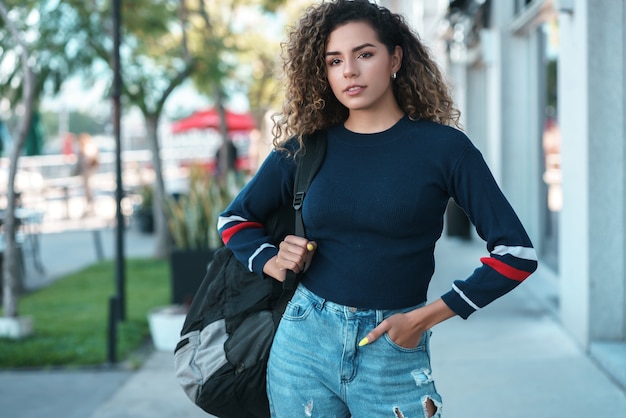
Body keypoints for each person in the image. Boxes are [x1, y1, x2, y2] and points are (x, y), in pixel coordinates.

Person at [218, 1, 538, 416]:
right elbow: (235, 218)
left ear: (395, 58)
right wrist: (271, 259)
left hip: (394, 345)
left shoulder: (444, 149)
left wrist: (424, 319)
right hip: (303, 342)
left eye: (364, 54)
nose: (349, 70)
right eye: (335, 60)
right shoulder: (306, 147)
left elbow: (516, 254)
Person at [72, 133, 99, 216]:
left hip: (88, 173)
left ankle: (91, 209)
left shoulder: (88, 147)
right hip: (87, 173)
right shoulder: (88, 147)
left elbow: (90, 159)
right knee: (87, 191)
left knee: (89, 191)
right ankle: (89, 208)